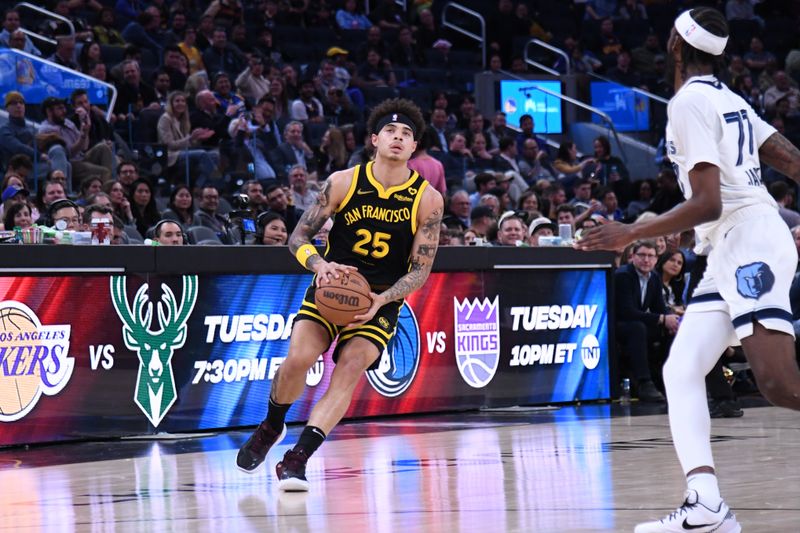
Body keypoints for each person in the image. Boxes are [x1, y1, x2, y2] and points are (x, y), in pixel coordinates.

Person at [577, 8, 800, 532]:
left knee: (777, 382)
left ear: (676, 44)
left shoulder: (689, 102)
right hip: (729, 244)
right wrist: (683, 230)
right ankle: (705, 506)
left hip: (747, 238)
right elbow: (788, 157)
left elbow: (708, 202)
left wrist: (630, 232)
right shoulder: (728, 97)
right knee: (680, 371)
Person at [236, 98, 443, 491]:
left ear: (414, 148)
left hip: (378, 302)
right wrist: (320, 265)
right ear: (374, 139)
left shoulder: (428, 199)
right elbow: (297, 237)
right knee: (297, 360)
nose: (398, 139)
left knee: (349, 368)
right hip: (330, 288)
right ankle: (272, 424)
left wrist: (383, 300)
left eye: (407, 135)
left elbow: (420, 269)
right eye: (391, 132)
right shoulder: (343, 181)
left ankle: (298, 458)